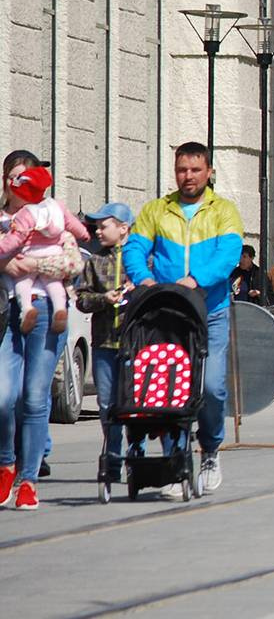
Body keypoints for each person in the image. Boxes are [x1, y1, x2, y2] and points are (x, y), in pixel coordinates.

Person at [122, 142, 245, 495]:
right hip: (167, 313)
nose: (187, 176)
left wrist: (196, 281)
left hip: (212, 312)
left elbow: (229, 254)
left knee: (210, 386)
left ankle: (209, 450)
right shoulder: (157, 210)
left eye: (194, 170)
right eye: (181, 170)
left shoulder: (223, 211)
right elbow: (134, 247)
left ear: (209, 172)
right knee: (169, 387)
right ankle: (176, 462)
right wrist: (143, 278)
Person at [0, 149, 68, 510]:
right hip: (7, 317)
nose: (22, 184)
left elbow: (74, 255)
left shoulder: (50, 214)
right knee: (3, 397)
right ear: (6, 182)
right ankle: (6, 463)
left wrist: (39, 263)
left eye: (28, 177)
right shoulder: (2, 221)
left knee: (34, 398)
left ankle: (28, 479)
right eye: (16, 178)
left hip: (44, 312)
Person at [73, 202, 134, 483]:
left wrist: (137, 288)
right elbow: (82, 299)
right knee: (107, 404)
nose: (97, 231)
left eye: (103, 225)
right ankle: (112, 457)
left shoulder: (140, 260)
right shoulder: (94, 261)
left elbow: (154, 290)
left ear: (123, 229)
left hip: (135, 344)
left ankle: (136, 455)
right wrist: (103, 299)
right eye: (96, 226)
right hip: (104, 344)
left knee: (135, 404)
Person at [0, 164, 90, 335]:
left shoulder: (25, 214)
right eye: (11, 177)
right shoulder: (57, 207)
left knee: (23, 283)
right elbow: (73, 223)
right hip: (6, 305)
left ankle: (27, 309)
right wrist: (84, 233)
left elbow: (15, 239)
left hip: (39, 296)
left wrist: (33, 264)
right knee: (54, 283)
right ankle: (59, 309)